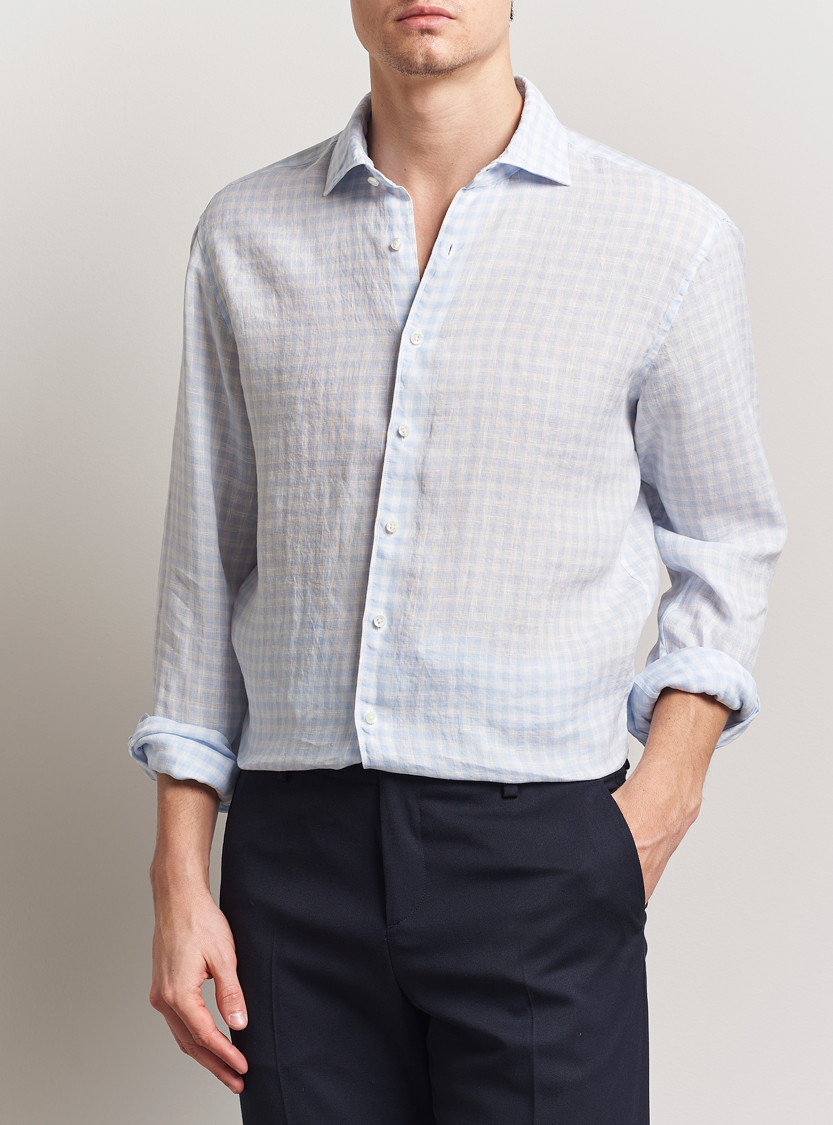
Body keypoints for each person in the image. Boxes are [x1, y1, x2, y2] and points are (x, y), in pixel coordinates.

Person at [129, 2, 787, 1122]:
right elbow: (206, 565)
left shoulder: (667, 237)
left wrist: (656, 808)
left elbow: (727, 541)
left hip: (541, 852)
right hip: (295, 861)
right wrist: (179, 875)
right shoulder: (243, 233)